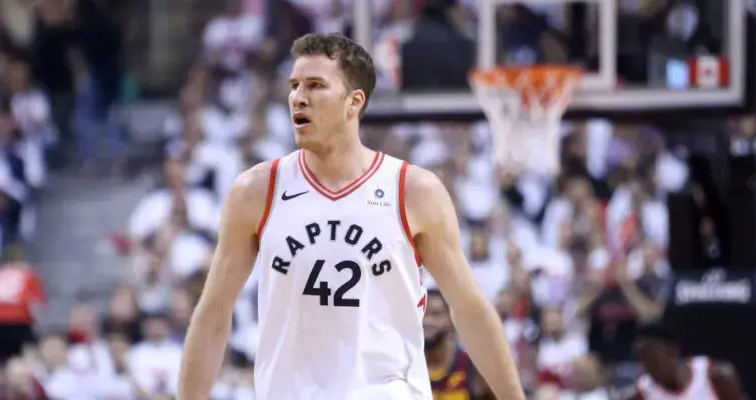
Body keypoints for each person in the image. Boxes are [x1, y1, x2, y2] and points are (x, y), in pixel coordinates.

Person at [178, 33, 523, 400]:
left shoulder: (412, 190)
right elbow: (213, 315)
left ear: (353, 102)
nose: (298, 97)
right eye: (294, 86)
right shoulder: (255, 191)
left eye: (315, 85)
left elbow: (469, 308)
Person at [629, 320, 744, 400]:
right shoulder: (642, 393)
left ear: (672, 352)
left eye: (653, 361)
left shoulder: (716, 376)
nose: (647, 369)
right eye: (642, 362)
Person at [424, 289, 494, 400]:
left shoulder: (472, 367)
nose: (427, 321)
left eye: (436, 314)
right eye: (423, 314)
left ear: (451, 319)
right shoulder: (405, 366)